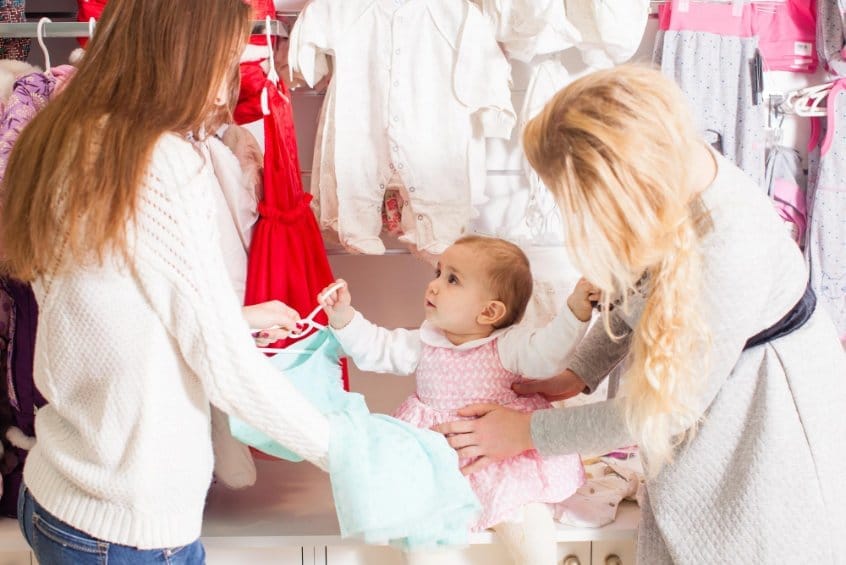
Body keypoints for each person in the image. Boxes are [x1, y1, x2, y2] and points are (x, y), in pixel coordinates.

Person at [434, 66, 846, 564]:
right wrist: (577, 374)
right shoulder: (674, 173)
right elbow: (646, 288)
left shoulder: (728, 248)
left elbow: (657, 412)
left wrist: (523, 433)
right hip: (713, 398)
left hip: (765, 424)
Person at [1, 1, 332, 562]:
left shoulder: (63, 133)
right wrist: (352, 451)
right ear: (181, 55)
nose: (227, 89)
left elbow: (105, 299)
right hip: (126, 525)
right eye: (224, 65)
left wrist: (234, 318)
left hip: (61, 490)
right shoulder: (159, 159)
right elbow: (225, 367)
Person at [319, 235, 599, 565]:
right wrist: (344, 317)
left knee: (528, 522)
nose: (434, 286)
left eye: (452, 279)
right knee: (425, 534)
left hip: (501, 465)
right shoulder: (423, 343)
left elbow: (549, 353)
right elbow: (376, 348)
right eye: (438, 273)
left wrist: (576, 310)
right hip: (440, 466)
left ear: (489, 311)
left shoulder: (508, 347)